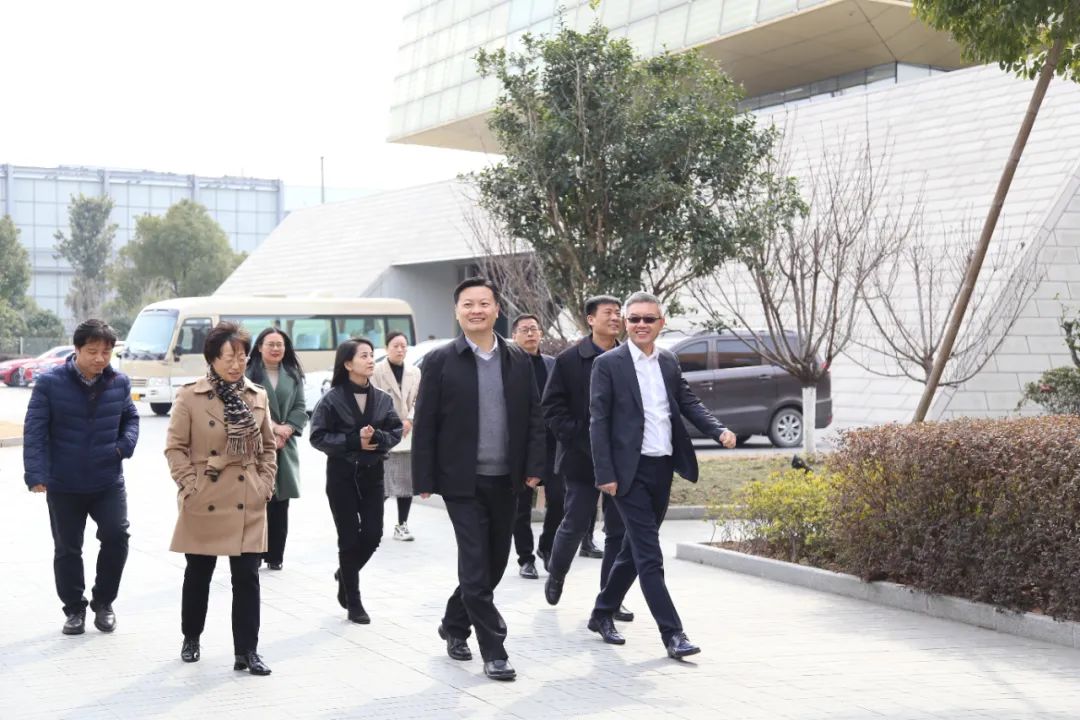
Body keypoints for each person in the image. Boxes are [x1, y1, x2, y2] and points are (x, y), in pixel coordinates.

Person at [586, 292, 736, 659]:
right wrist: (604, 473)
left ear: (660, 323)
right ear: (626, 322)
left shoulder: (668, 361)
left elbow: (688, 402)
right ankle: (673, 634)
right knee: (650, 555)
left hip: (662, 467)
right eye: (634, 318)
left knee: (633, 550)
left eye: (648, 319)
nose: (641, 325)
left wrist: (717, 430)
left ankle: (602, 612)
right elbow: (598, 421)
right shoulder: (608, 364)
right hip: (627, 473)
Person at [413, 277, 545, 682]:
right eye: (468, 304)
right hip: (461, 483)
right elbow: (426, 422)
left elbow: (534, 416)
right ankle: (495, 649)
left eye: (483, 303)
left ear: (496, 310)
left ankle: (454, 624)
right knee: (474, 566)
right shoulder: (439, 360)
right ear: (457, 312)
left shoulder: (517, 358)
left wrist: (535, 466)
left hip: (508, 479)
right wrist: (423, 476)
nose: (476, 310)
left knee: (494, 565)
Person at [164, 321, 277, 675]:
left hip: (247, 495)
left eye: (242, 357)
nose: (236, 364)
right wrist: (190, 485)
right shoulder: (190, 396)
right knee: (199, 573)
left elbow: (268, 447)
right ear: (212, 358)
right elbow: (175, 447)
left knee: (247, 577)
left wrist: (264, 484)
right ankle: (191, 637)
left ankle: (247, 651)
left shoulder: (257, 395)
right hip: (206, 494)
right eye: (229, 357)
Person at [23, 319, 139, 636]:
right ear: (76, 349)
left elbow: (130, 417)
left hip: (107, 480)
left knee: (117, 536)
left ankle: (104, 602)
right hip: (64, 483)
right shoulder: (50, 383)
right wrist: (36, 473)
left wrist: (124, 446)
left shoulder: (118, 382)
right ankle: (74, 609)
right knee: (67, 549)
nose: (100, 358)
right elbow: (34, 430)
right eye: (92, 351)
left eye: (106, 352)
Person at [541, 296, 633, 621]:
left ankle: (610, 599)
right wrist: (580, 435)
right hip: (582, 457)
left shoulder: (630, 357)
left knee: (618, 531)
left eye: (618, 313)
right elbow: (552, 407)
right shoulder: (569, 360)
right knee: (576, 522)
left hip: (622, 459)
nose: (615, 318)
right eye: (608, 313)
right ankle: (556, 572)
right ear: (590, 319)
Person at [310, 337, 403, 624]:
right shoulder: (331, 399)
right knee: (348, 539)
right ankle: (354, 601)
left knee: (373, 534)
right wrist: (353, 441)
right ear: (348, 364)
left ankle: (345, 572)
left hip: (373, 475)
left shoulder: (383, 399)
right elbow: (318, 436)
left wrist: (377, 438)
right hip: (342, 477)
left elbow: (396, 431)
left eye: (371, 354)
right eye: (363, 355)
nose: (370, 360)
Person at [246, 327, 308, 571]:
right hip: (255, 444)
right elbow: (245, 406)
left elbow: (300, 408)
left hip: (285, 446)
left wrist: (287, 429)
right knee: (256, 500)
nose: (275, 348)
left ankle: (275, 555)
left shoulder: (293, 374)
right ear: (260, 347)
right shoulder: (248, 373)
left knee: (280, 502)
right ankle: (254, 553)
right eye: (270, 344)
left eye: (279, 344)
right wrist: (272, 429)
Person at [507, 314, 555, 580]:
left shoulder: (551, 364)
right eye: (524, 330)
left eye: (534, 329)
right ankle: (525, 558)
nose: (530, 334)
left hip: (552, 443)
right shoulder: (507, 365)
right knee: (521, 506)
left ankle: (546, 547)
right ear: (514, 336)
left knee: (560, 500)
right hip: (522, 445)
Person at [370, 330, 421, 542]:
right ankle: (371, 522)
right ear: (386, 348)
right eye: (395, 346)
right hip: (385, 432)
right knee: (382, 483)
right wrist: (392, 422)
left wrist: (409, 419)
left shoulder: (414, 372)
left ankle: (402, 524)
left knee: (406, 482)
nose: (400, 350)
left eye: (403, 346)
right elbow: (374, 399)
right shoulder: (376, 371)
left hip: (408, 433)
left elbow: (419, 399)